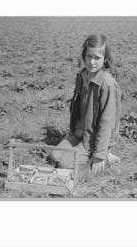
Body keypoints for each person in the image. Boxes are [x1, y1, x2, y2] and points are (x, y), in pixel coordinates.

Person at [51, 34, 121, 175]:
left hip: (94, 138)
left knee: (65, 165)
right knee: (54, 156)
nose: (92, 62)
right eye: (89, 56)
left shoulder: (106, 85)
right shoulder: (82, 76)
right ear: (84, 55)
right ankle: (82, 147)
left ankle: (105, 153)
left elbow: (106, 123)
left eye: (97, 58)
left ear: (105, 59)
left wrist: (99, 156)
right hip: (80, 132)